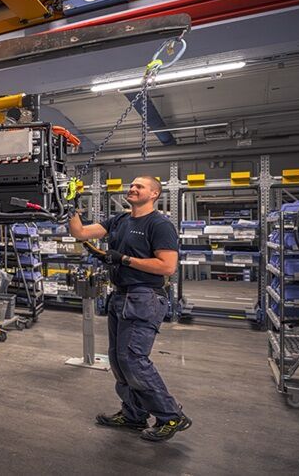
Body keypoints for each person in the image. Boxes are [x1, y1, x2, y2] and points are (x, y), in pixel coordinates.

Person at [69, 175, 190, 442]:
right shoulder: (120, 220)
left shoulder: (159, 225)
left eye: (139, 186)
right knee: (119, 360)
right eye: (131, 185)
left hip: (144, 297)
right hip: (121, 296)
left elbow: (167, 267)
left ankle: (170, 415)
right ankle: (134, 414)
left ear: (154, 194)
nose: (132, 188)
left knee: (133, 359)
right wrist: (70, 206)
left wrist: (124, 259)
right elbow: (80, 233)